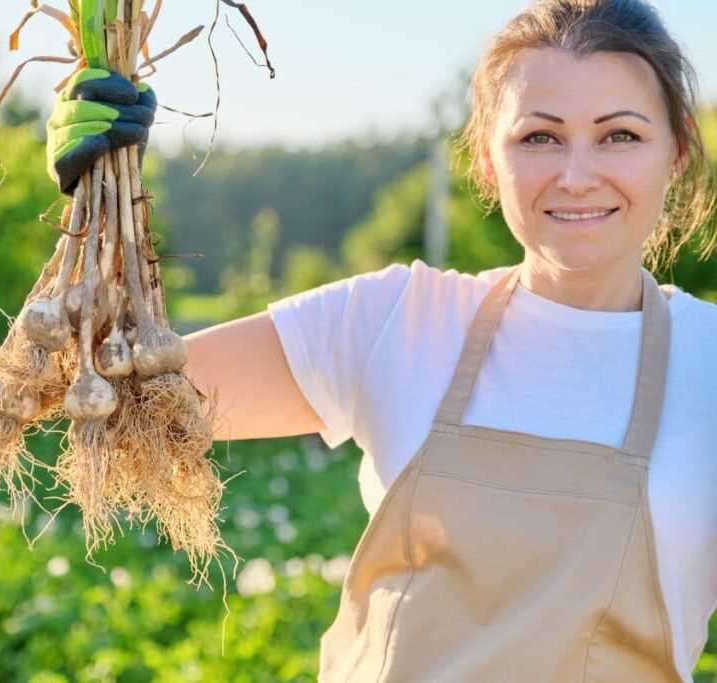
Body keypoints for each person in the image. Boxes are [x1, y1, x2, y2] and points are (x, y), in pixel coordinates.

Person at [46, 0, 717, 679]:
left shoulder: (709, 363)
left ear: (677, 152)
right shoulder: (398, 319)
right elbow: (109, 388)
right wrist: (94, 209)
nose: (576, 174)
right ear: (487, 159)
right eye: (539, 137)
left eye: (620, 136)